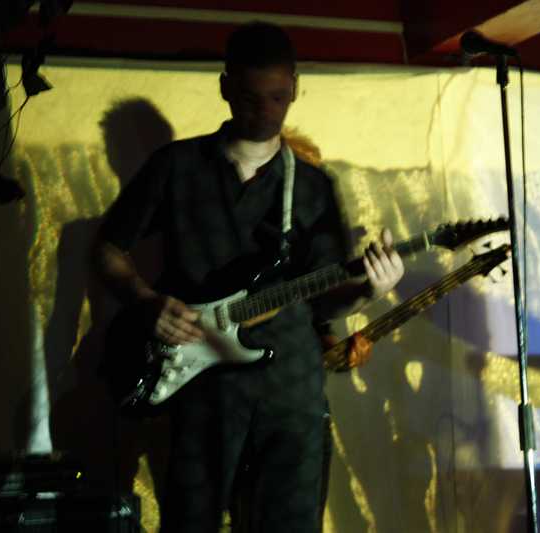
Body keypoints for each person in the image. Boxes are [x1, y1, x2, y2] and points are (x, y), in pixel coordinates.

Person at [91, 21, 404, 533]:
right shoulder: (176, 166)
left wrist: (371, 288)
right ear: (225, 87)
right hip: (201, 388)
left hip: (291, 392)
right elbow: (108, 249)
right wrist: (145, 302)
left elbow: (324, 300)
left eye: (278, 98)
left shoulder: (313, 188)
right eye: (250, 97)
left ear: (295, 88)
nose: (265, 111)